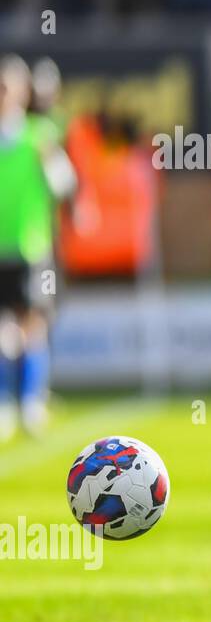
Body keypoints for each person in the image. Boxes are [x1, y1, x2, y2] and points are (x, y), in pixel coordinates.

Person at [0, 56, 76, 440]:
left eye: (6, 88)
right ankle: (4, 405)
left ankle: (31, 402)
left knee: (32, 323)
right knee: (3, 329)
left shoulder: (38, 135)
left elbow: (64, 184)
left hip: (30, 246)